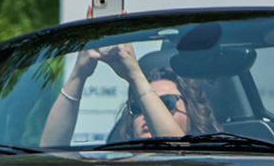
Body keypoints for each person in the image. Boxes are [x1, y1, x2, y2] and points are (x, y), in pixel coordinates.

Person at [40, 43, 215, 147]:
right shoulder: (115, 165)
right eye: (139, 107)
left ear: (193, 113)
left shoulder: (215, 163)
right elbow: (49, 156)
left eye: (166, 104)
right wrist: (78, 75)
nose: (147, 113)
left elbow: (179, 156)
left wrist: (135, 77)